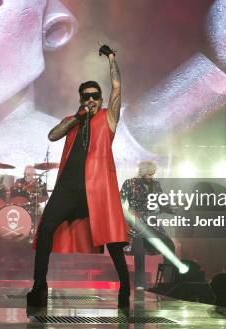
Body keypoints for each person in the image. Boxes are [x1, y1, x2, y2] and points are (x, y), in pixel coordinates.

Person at [27, 44, 130, 309]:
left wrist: (111, 58)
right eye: (87, 96)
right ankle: (39, 286)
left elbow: (117, 87)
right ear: (81, 99)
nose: (92, 99)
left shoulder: (108, 118)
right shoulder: (74, 120)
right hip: (69, 190)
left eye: (95, 95)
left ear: (101, 98)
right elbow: (53, 135)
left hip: (96, 191)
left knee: (114, 242)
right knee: (46, 229)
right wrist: (77, 116)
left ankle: (125, 289)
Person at [120, 161, 176, 289]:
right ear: (142, 173)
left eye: (153, 174)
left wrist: (174, 209)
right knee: (139, 252)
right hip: (136, 223)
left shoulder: (156, 185)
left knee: (169, 246)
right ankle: (140, 284)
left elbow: (163, 204)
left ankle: (168, 282)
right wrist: (128, 216)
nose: (152, 177)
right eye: (149, 174)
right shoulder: (130, 183)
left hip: (152, 222)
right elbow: (120, 202)